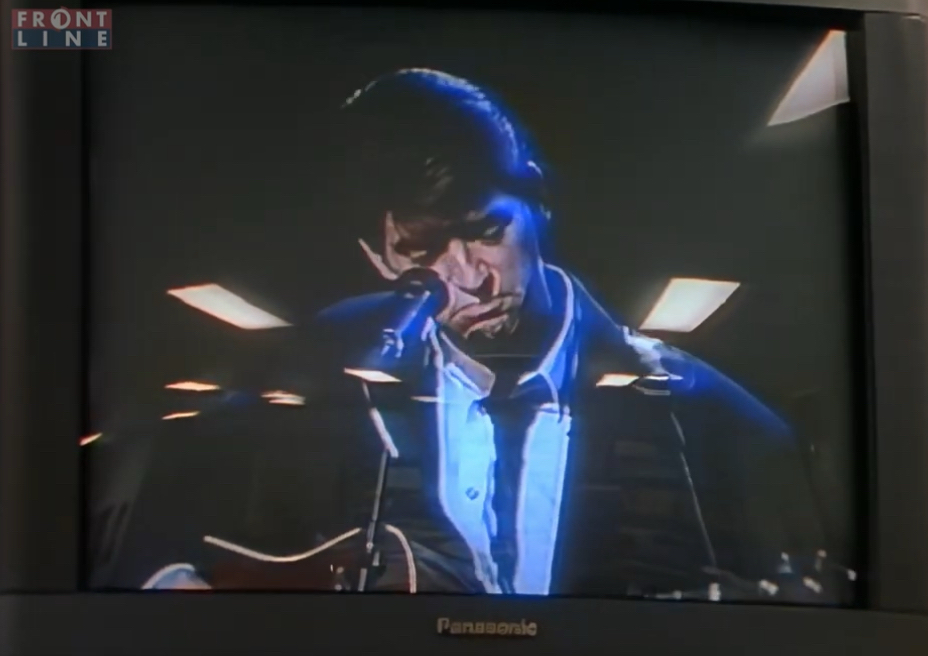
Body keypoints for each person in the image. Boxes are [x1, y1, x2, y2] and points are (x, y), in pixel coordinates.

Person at [134, 69, 839, 601]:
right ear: (377, 258)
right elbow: (144, 538)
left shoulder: (710, 417)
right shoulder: (322, 361)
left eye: (486, 231)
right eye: (421, 254)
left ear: (538, 203)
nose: (467, 279)